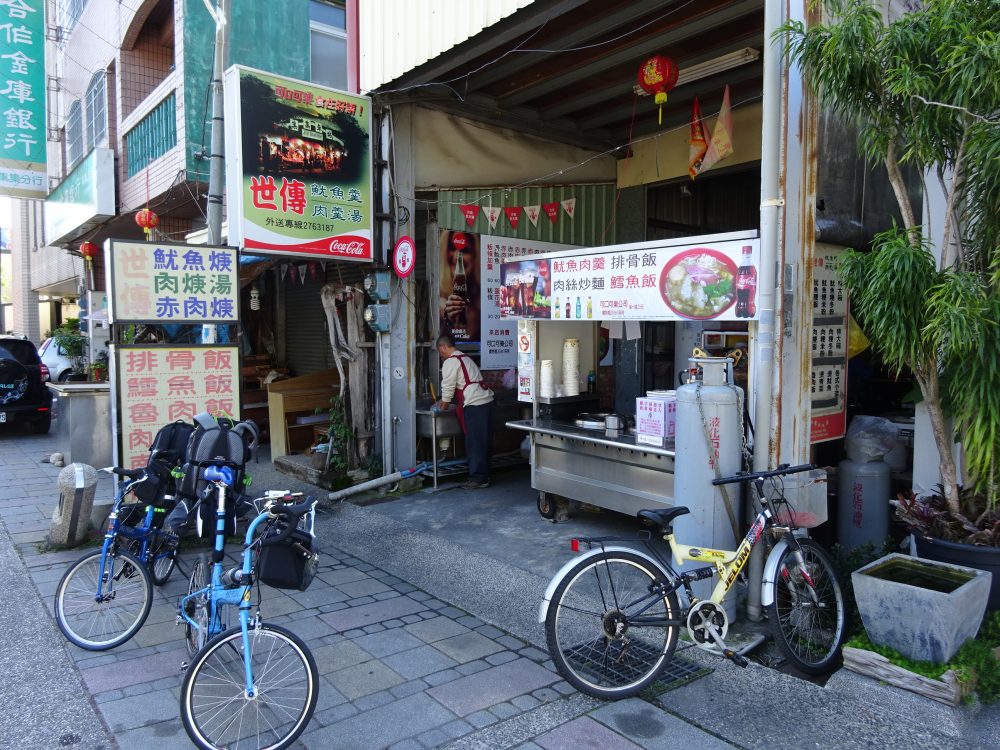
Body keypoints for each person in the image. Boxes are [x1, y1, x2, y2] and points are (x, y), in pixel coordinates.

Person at [435, 334, 495, 489]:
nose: (440, 355)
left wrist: (442, 405)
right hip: (487, 403)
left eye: (440, 351)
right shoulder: (466, 358)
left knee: (475, 443)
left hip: (475, 405)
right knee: (484, 441)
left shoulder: (450, 362)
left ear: (443, 347)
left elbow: (447, 389)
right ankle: (485, 476)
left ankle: (478, 479)